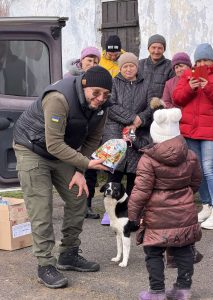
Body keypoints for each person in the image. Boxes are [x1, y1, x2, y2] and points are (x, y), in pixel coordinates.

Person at [13, 65, 112, 289]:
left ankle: (68, 254)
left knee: (78, 197)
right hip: (32, 148)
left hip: (62, 151)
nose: (100, 98)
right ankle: (45, 264)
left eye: (106, 94)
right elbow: (53, 143)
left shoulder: (102, 107)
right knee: (41, 208)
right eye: (96, 92)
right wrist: (86, 163)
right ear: (84, 86)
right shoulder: (59, 98)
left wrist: (80, 171)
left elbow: (92, 139)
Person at [128, 108, 202, 300]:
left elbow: (141, 191)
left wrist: (133, 215)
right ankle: (183, 290)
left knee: (153, 252)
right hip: (184, 212)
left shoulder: (148, 159)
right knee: (185, 249)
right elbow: (195, 182)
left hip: (156, 215)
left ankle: (157, 292)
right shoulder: (191, 155)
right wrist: (184, 197)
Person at [173, 43, 213, 230]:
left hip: (212, 129)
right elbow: (177, 98)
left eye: (205, 59)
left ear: (212, 59)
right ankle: (207, 205)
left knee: (209, 168)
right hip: (190, 130)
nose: (202, 63)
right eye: (199, 60)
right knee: (198, 170)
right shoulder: (187, 75)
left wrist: (208, 86)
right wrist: (190, 87)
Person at [101, 52, 152, 225]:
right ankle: (111, 212)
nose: (128, 69)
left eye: (131, 66)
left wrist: (139, 121)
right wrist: (132, 118)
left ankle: (132, 214)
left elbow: (151, 107)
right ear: (120, 68)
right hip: (115, 133)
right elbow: (110, 105)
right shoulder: (113, 83)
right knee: (114, 174)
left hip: (138, 133)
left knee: (134, 177)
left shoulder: (146, 84)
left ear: (136, 67)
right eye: (125, 66)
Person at [64, 46, 102, 219]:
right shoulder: (69, 78)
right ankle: (72, 205)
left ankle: (87, 204)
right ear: (81, 61)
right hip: (71, 135)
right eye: (89, 60)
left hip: (88, 134)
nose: (92, 64)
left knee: (90, 169)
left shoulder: (100, 82)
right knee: (69, 170)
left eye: (96, 61)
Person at [138, 34, 175, 98]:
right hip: (142, 105)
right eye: (153, 47)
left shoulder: (170, 66)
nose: (156, 51)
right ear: (148, 48)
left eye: (160, 48)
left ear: (164, 49)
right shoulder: (140, 64)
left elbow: (173, 89)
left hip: (162, 105)